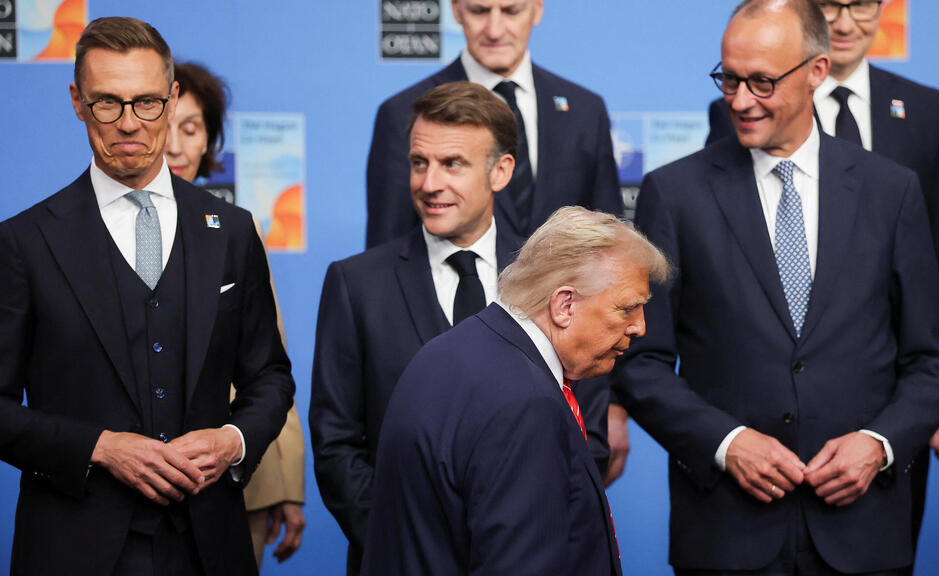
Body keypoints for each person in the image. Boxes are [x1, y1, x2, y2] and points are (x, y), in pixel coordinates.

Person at [612, 1, 939, 574]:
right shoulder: (673, 194)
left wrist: (878, 444)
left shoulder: (890, 191)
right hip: (726, 533)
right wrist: (725, 442)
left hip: (863, 534)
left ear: (817, 71)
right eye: (729, 78)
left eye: (762, 82)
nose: (740, 100)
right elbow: (638, 360)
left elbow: (933, 360)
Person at [0, 17, 294, 576]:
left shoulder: (232, 232)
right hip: (73, 549)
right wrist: (98, 448)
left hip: (210, 547)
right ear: (77, 102)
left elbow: (270, 378)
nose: (129, 122)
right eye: (107, 103)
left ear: (173, 97)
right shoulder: (24, 242)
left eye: (147, 102)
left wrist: (232, 440)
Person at [705, 0, 939, 546]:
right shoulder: (743, 108)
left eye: (861, 5)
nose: (845, 21)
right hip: (772, 416)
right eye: (830, 6)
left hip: (897, 395)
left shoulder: (925, 110)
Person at [362, 205, 668, 575]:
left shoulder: (446, 352)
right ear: (565, 305)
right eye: (628, 308)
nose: (640, 327)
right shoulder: (527, 404)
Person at [311, 81, 526, 575]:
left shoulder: (549, 279)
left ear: (500, 171)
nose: (429, 184)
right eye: (418, 162)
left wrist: (523, 541)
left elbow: (582, 433)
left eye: (452, 164)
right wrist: (402, 544)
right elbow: (335, 442)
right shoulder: (356, 284)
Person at [167, 61, 306, 569]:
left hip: (236, 477)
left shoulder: (235, 231)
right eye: (167, 125)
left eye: (191, 129)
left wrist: (287, 483)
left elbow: (270, 364)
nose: (175, 146)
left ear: (209, 141)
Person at [365, 0, 622, 247]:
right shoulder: (404, 112)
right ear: (456, 9)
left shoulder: (585, 110)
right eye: (479, 11)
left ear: (537, 8)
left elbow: (610, 239)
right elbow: (387, 251)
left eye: (511, 11)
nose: (494, 30)